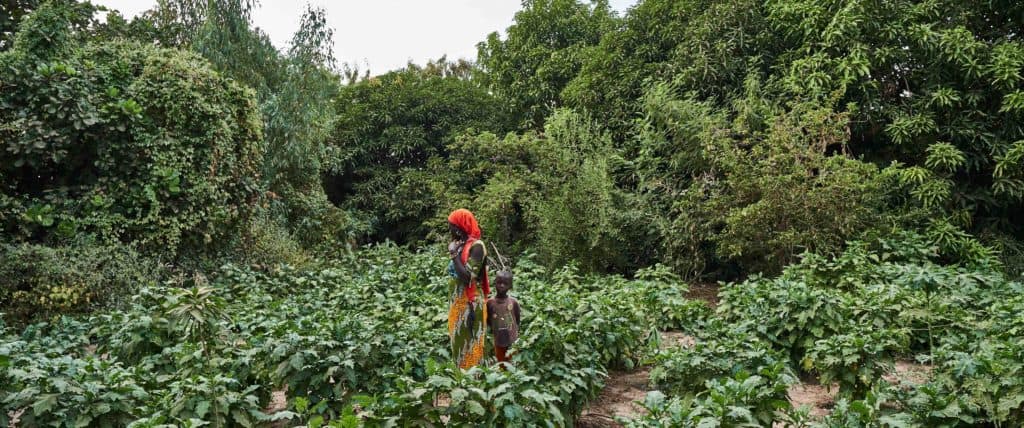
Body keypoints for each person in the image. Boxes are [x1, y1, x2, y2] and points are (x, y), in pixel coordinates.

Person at [446, 208, 490, 369]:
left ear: (459, 226)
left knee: (472, 345)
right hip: (458, 305)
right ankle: (461, 382)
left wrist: (453, 254)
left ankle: (475, 384)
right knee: (458, 344)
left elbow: (467, 277)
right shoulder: (461, 245)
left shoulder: (477, 247)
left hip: (470, 305)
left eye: (451, 226)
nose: (449, 229)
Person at [487, 270, 520, 368]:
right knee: (502, 364)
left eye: (505, 283)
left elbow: (517, 319)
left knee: (513, 363)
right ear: (495, 283)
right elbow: (488, 320)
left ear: (510, 286)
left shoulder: (513, 302)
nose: (501, 285)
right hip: (498, 339)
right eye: (499, 282)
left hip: (512, 339)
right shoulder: (490, 303)